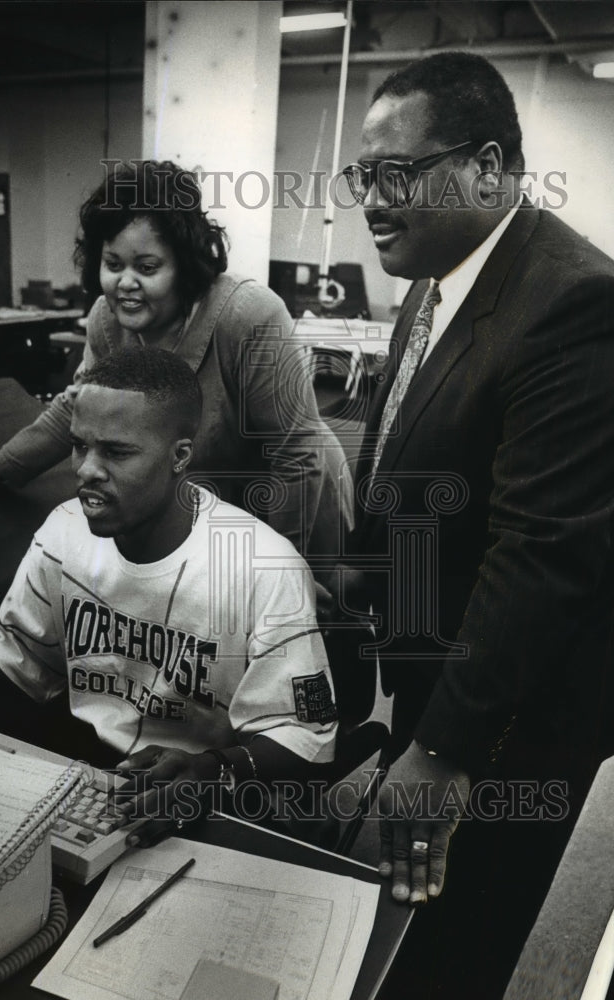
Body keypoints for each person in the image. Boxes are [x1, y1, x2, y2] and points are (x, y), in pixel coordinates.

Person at [338, 51, 614, 997]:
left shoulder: (574, 300)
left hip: (510, 724)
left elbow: (540, 553)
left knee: (468, 939)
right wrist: (360, 572)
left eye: (397, 174)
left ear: (488, 168)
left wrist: (441, 749)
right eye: (363, 177)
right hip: (433, 680)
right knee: (417, 924)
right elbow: (415, 451)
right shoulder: (436, 277)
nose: (372, 201)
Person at [0, 347, 338, 841]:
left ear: (180, 456)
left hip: (213, 795)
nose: (86, 469)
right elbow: (17, 662)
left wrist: (212, 771)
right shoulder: (64, 531)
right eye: (79, 446)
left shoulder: (263, 566)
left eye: (116, 452)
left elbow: (306, 738)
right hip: (95, 780)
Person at [0, 159, 352, 596]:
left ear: (184, 265)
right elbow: (75, 407)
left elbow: (296, 454)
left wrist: (288, 571)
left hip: (291, 507)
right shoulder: (107, 320)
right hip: (203, 513)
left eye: (147, 267)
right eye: (113, 264)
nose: (125, 283)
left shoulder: (249, 315)